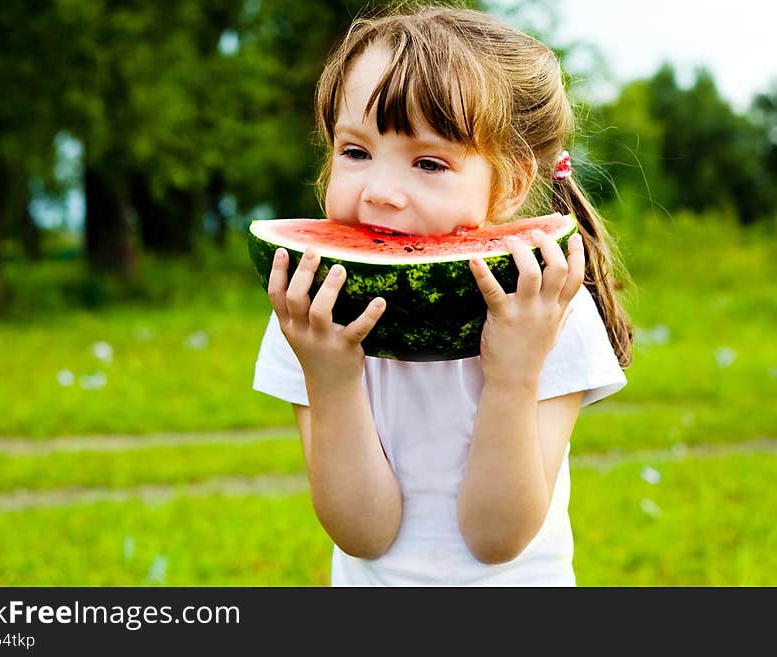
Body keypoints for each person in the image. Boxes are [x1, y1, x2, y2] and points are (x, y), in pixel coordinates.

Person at [252, 4, 633, 586]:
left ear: (507, 186)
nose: (381, 192)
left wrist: (513, 372)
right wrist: (330, 379)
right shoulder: (313, 311)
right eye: (355, 151)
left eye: (428, 163)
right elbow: (363, 533)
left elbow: (496, 539)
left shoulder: (550, 308)